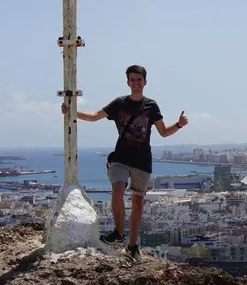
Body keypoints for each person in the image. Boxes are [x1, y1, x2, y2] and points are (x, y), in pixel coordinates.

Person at [62, 64, 188, 259]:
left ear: (145, 82)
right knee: (117, 191)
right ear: (128, 82)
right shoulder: (119, 103)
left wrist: (179, 125)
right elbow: (96, 116)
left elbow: (163, 132)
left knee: (138, 203)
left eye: (139, 79)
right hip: (120, 157)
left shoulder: (151, 105)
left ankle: (132, 246)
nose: (136, 83)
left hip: (142, 160)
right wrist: (72, 112)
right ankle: (119, 234)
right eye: (132, 79)